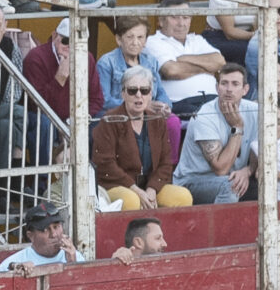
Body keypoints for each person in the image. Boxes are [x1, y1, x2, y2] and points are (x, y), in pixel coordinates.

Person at [92, 70, 188, 209]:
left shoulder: (157, 120)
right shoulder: (109, 120)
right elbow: (106, 164)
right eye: (132, 90)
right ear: (123, 94)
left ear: (150, 94)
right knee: (132, 201)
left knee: (183, 197)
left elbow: (165, 163)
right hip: (116, 185)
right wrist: (136, 190)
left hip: (149, 185)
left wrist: (152, 188)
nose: (138, 95)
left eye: (144, 90)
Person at [173, 62, 258, 203]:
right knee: (231, 186)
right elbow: (221, 169)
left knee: (270, 182)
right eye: (224, 83)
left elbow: (260, 149)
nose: (229, 89)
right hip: (192, 182)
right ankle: (222, 226)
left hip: (232, 176)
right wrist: (237, 127)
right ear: (217, 88)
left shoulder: (255, 111)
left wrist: (247, 171)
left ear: (245, 89)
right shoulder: (205, 116)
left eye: (235, 84)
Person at [0, 206, 72, 271]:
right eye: (45, 229)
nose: (54, 234)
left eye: (56, 227)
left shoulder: (73, 255)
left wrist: (73, 263)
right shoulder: (13, 263)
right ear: (30, 236)